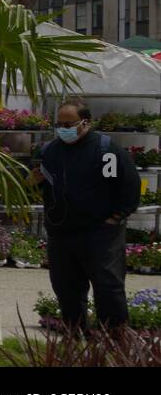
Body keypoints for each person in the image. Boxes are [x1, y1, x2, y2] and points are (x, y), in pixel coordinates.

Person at [30, 99, 140, 329]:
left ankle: (116, 342)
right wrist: (32, 182)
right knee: (66, 288)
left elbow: (128, 187)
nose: (63, 129)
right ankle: (76, 340)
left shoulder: (106, 150)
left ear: (85, 122)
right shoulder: (49, 151)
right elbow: (40, 183)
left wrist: (116, 217)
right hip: (62, 233)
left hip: (101, 233)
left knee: (108, 287)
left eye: (68, 124)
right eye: (59, 124)